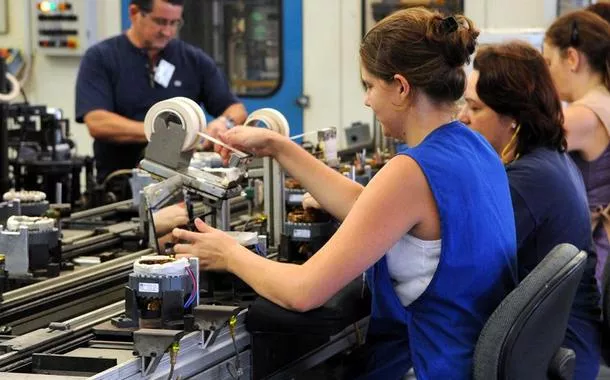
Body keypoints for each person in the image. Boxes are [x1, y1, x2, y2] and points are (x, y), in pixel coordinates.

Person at [172, 8, 518, 379]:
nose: (367, 101)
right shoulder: (473, 145)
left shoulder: (411, 171)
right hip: (466, 358)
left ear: (401, 87)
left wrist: (229, 253)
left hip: (433, 367)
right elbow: (368, 207)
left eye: (370, 86)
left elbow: (303, 291)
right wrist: (279, 147)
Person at [458, 41, 602, 380]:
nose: (463, 117)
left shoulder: (528, 180)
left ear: (514, 120)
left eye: (475, 108)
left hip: (550, 354)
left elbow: (459, 260)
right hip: (563, 346)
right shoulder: (549, 159)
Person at [75, 0, 247, 183]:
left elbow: (236, 109)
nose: (167, 31)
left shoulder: (193, 60)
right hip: (119, 184)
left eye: (174, 23)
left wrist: (224, 122)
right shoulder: (101, 58)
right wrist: (165, 133)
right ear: (134, 13)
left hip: (183, 184)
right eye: (160, 22)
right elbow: (97, 121)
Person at [543, 10, 610, 287]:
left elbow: (525, 151)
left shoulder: (582, 115)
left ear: (571, 58)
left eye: (548, 62)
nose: (547, 73)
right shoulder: (604, 100)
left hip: (598, 246)